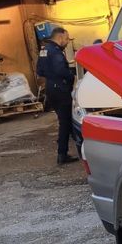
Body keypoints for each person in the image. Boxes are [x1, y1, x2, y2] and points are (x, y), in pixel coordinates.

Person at [36, 27, 78, 164]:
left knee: (67, 120)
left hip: (51, 88)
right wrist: (72, 77)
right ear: (60, 37)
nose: (67, 42)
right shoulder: (55, 52)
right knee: (66, 122)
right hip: (61, 89)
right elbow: (61, 70)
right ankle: (62, 154)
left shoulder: (44, 50)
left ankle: (79, 147)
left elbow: (40, 70)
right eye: (66, 39)